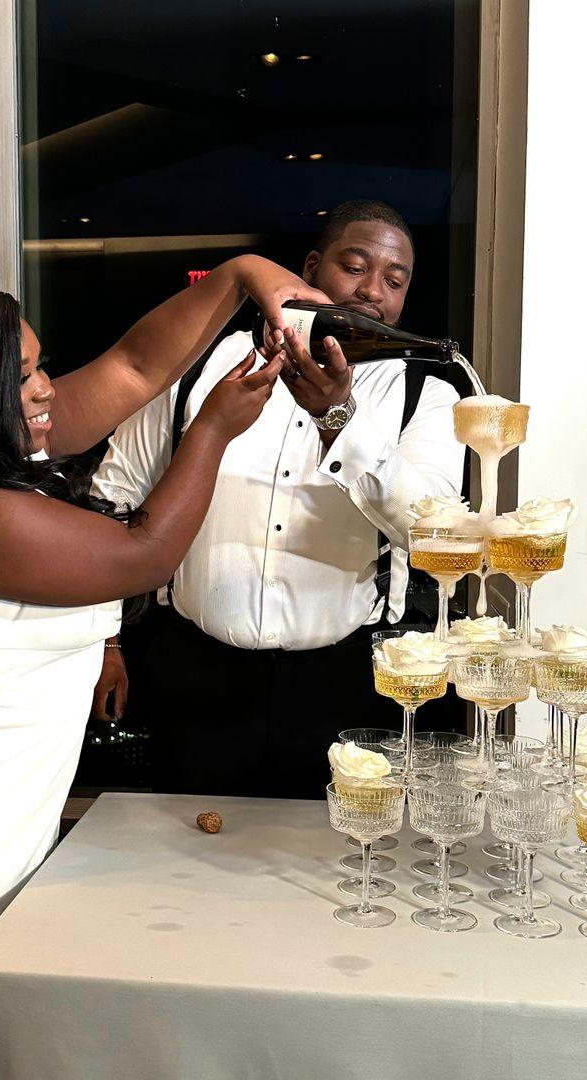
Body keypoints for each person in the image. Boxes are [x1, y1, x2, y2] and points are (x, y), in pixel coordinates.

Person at [0, 257, 328, 1080]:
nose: (48, 388)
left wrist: (239, 277)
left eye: (43, 362)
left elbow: (134, 366)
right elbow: (142, 554)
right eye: (23, 375)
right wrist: (210, 434)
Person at [92, 200, 466, 798]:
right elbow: (113, 499)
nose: (372, 292)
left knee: (325, 867)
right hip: (193, 673)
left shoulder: (426, 394)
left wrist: (341, 421)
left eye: (394, 281)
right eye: (355, 266)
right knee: (182, 861)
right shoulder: (197, 365)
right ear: (312, 267)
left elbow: (431, 532)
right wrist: (106, 643)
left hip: (341, 684)